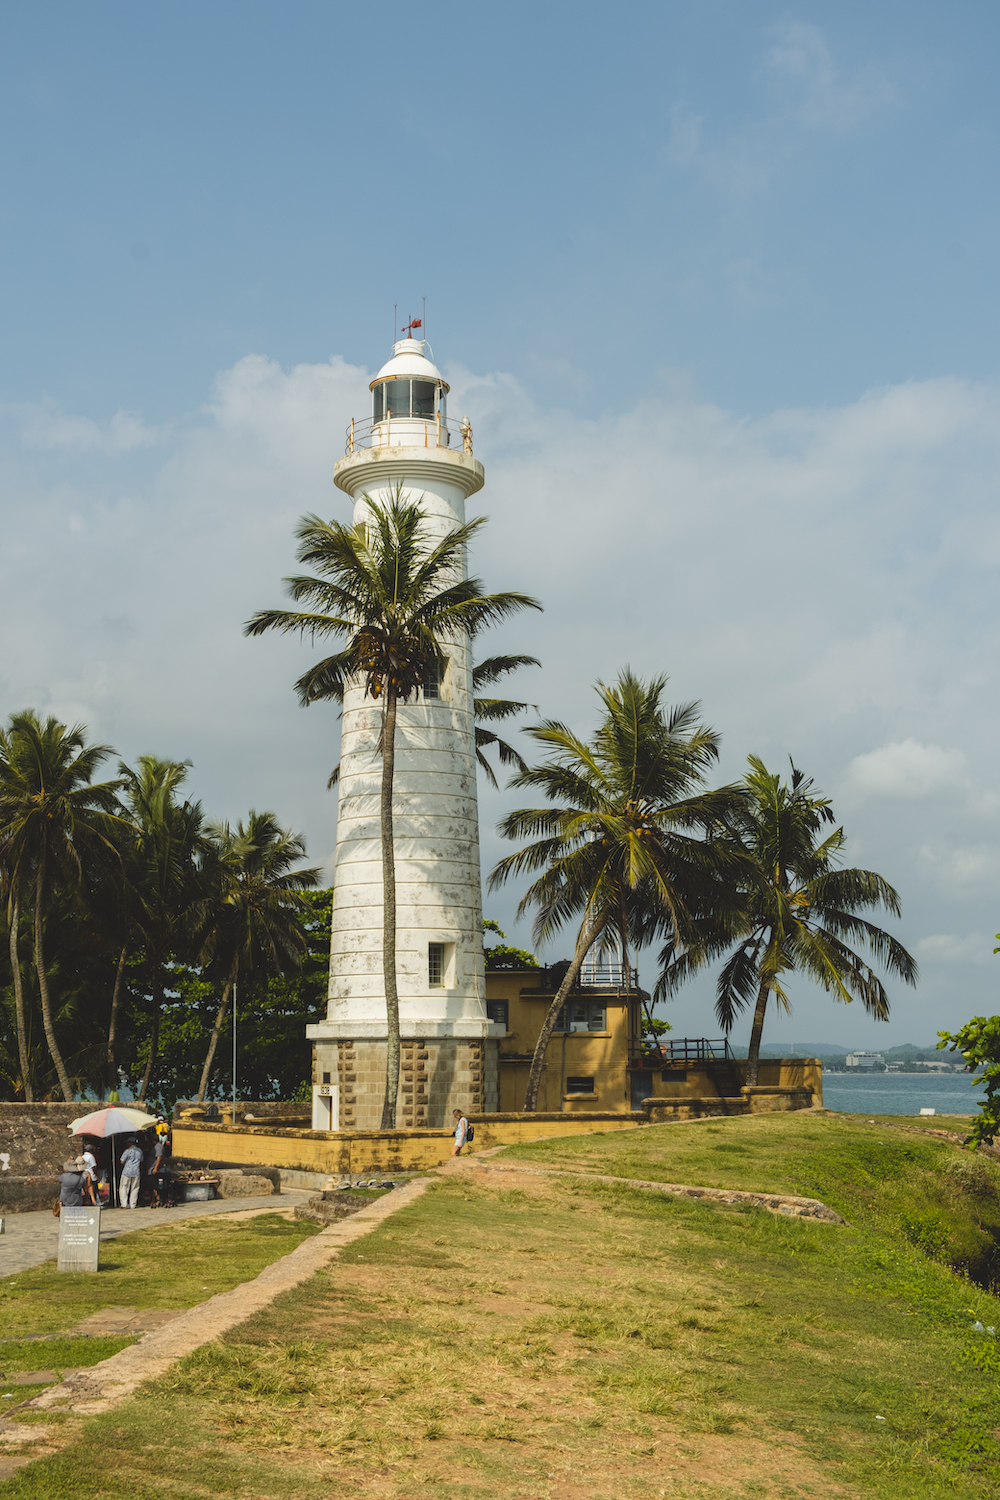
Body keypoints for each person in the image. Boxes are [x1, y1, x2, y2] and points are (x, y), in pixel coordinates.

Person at [119, 1136, 143, 1209]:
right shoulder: (140, 1151)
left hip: (127, 1171)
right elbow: (141, 1162)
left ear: (130, 1143)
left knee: (124, 1187)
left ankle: (124, 1204)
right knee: (135, 1188)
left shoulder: (127, 1151)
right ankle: (133, 1204)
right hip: (136, 1171)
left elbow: (122, 1161)